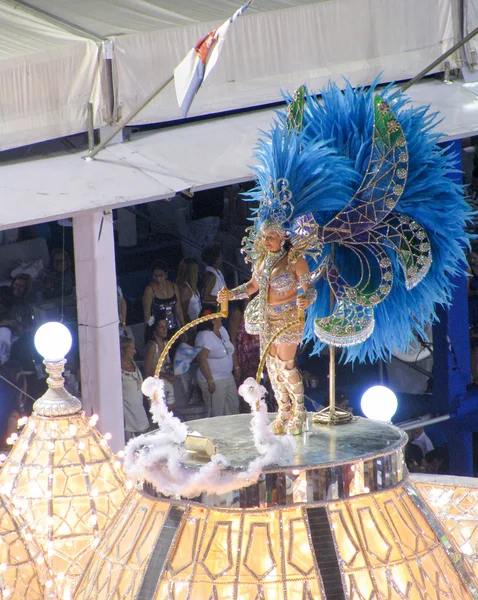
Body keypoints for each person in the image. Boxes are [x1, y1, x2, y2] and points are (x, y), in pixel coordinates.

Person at [218, 226, 316, 435]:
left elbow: (311, 290)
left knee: (286, 366)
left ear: (282, 237)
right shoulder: (261, 260)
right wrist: (230, 294)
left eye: (271, 237)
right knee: (272, 369)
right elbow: (252, 286)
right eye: (264, 237)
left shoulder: (294, 260)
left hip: (289, 317)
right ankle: (283, 411)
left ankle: (299, 411)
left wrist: (305, 300)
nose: (266, 241)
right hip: (267, 319)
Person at [195, 308, 240, 417]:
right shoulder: (204, 336)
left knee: (233, 407)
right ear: (212, 320)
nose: (221, 317)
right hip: (215, 379)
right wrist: (210, 380)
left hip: (228, 376)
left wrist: (236, 367)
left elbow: (230, 349)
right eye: (218, 316)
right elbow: (202, 359)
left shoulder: (222, 330)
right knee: (217, 412)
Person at [228, 299, 260, 411]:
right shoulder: (237, 313)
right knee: (247, 390)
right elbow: (232, 339)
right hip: (243, 358)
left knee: (260, 388)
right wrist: (235, 364)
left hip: (257, 356)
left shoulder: (258, 310)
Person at [143, 260, 184, 341]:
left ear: (166, 274)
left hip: (172, 327)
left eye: (160, 275)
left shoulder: (173, 286)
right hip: (158, 329)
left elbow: (178, 309)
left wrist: (183, 327)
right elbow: (146, 314)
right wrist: (152, 332)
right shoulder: (150, 289)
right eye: (155, 275)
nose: (158, 278)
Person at [120, 337, 149, 441]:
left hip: (139, 409)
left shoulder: (135, 365)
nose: (134, 351)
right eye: (132, 349)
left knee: (144, 441)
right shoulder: (118, 369)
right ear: (124, 350)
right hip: (127, 412)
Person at [144, 318, 176, 406]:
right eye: (161, 327)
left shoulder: (166, 343)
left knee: (171, 409)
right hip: (155, 383)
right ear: (154, 330)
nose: (164, 329)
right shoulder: (152, 346)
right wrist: (166, 376)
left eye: (165, 326)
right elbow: (148, 370)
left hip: (166, 381)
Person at [201, 243, 227, 309]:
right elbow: (205, 297)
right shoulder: (211, 276)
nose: (222, 257)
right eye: (220, 255)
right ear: (216, 259)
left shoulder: (219, 272)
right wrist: (221, 297)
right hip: (211, 311)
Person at [176, 257, 202, 323]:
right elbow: (183, 313)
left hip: (199, 323)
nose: (197, 272)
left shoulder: (192, 286)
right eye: (196, 270)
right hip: (192, 326)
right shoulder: (185, 289)